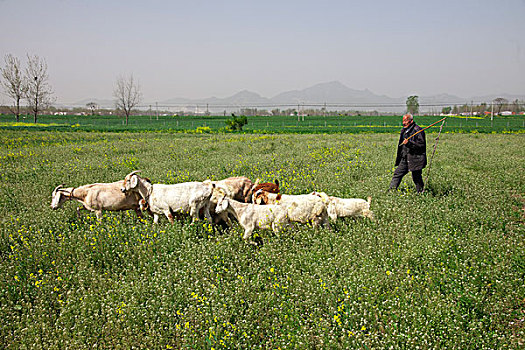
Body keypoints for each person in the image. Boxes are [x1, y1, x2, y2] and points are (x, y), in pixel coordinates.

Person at [389, 113, 427, 193]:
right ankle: (391, 192)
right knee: (397, 174)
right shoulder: (404, 130)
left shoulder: (418, 130)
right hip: (405, 158)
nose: (404, 123)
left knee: (416, 177)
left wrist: (409, 143)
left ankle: (421, 193)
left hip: (415, 158)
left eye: (406, 121)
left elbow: (421, 146)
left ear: (411, 121)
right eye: (403, 121)